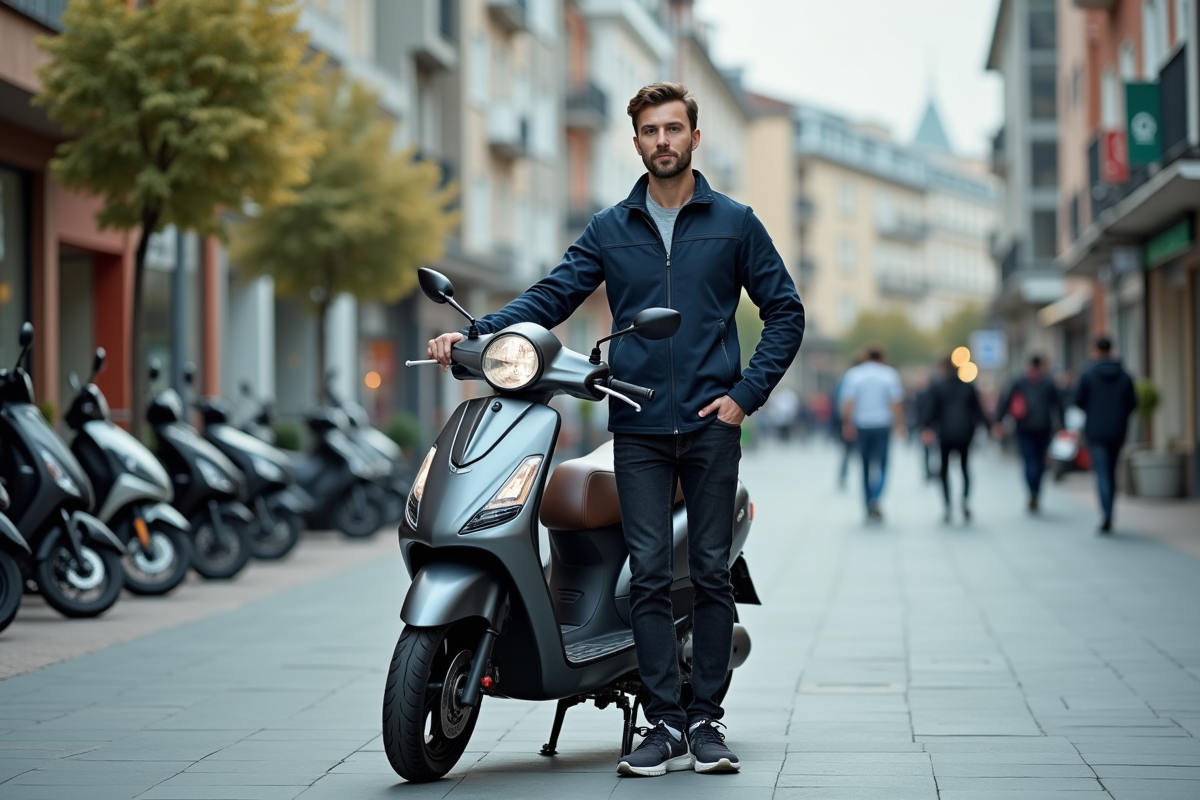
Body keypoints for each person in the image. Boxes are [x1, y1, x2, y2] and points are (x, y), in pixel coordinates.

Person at [428, 82, 804, 777]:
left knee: (710, 575)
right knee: (650, 576)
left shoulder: (735, 223)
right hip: (636, 424)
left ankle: (706, 721)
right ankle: (663, 725)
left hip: (711, 425)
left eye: (673, 129)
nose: (663, 141)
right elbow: (553, 294)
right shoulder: (610, 227)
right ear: (635, 143)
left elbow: (786, 311)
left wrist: (744, 396)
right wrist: (478, 333)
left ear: (695, 137)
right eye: (650, 131)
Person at [1073, 335, 1136, 533]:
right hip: (1117, 430)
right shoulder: (1125, 375)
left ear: (1095, 350)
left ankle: (1105, 514)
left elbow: (1078, 400)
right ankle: (1110, 512)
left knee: (1101, 472)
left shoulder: (1087, 374)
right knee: (1111, 470)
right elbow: (1132, 403)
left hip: (1096, 430)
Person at [839, 345, 905, 521]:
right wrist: (900, 424)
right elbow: (896, 403)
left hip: (862, 425)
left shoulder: (854, 374)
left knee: (865, 466)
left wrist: (847, 424)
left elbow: (848, 402)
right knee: (882, 465)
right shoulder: (889, 374)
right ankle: (876, 497)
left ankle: (868, 501)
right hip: (882, 424)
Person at [921, 356, 989, 522]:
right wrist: (989, 426)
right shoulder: (968, 387)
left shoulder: (938, 387)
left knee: (944, 469)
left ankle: (947, 504)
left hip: (945, 433)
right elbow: (978, 410)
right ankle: (964, 501)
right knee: (965, 468)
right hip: (965, 433)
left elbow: (930, 410)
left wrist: (926, 428)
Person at [994, 354, 1062, 512]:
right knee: (1040, 460)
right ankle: (1037, 491)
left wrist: (998, 421)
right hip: (1044, 426)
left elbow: (1006, 401)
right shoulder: (1048, 382)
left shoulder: (1019, 381)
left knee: (1028, 460)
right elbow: (1058, 404)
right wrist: (1062, 425)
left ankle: (1031, 491)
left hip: (1023, 426)